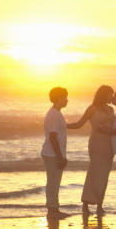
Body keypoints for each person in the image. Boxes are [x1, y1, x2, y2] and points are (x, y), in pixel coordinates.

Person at [68, 85, 115, 216]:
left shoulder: (111, 109)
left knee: (104, 176)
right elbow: (79, 124)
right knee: (94, 173)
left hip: (109, 144)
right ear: (103, 95)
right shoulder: (92, 108)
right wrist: (62, 125)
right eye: (110, 94)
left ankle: (100, 205)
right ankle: (85, 204)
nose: (112, 97)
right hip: (96, 143)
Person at [41, 86, 69, 219]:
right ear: (58, 98)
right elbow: (53, 137)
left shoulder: (57, 113)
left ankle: (54, 208)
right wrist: (60, 157)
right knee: (53, 182)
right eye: (65, 97)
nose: (67, 100)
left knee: (54, 181)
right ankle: (52, 210)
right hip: (52, 154)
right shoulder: (54, 114)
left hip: (53, 153)